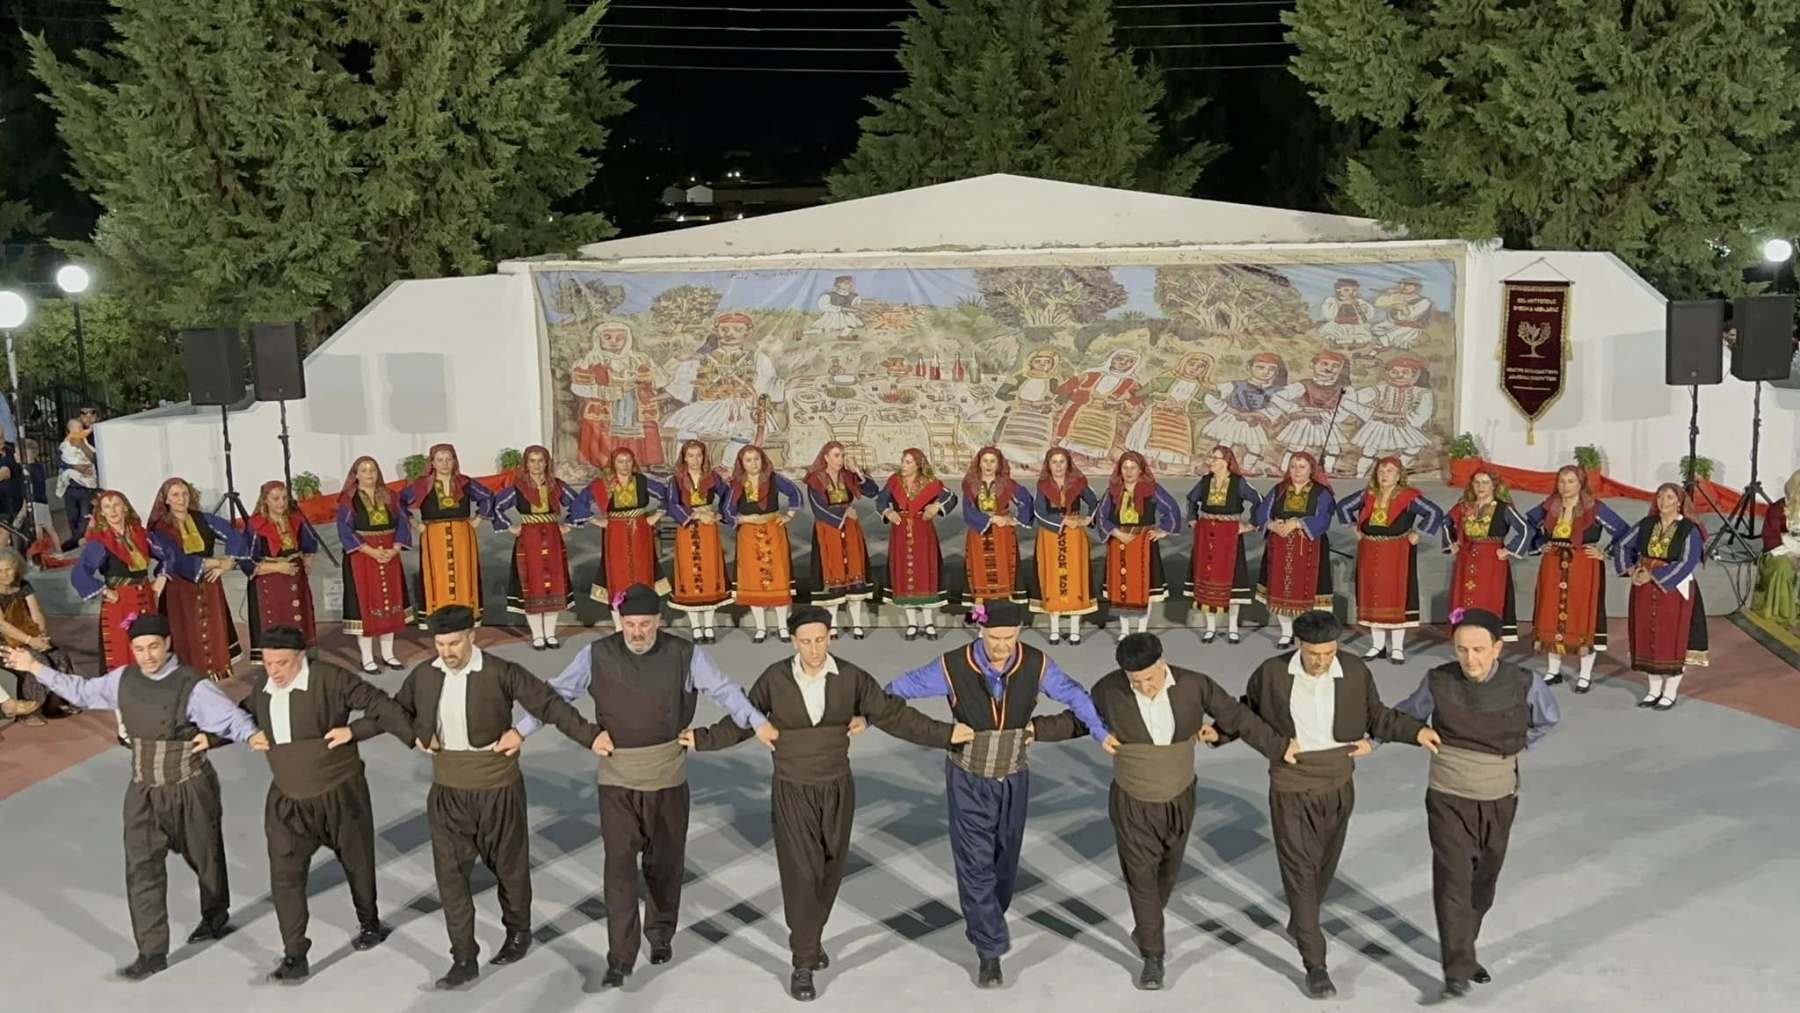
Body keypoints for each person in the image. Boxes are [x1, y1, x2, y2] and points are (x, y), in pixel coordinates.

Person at [684, 605, 972, 1001]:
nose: (814, 649)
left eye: (820, 640)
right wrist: (702, 739)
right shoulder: (775, 679)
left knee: (830, 870)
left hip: (837, 788)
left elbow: (893, 714)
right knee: (801, 874)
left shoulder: (850, 677)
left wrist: (945, 733)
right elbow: (744, 718)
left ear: (830, 637)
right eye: (806, 641)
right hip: (793, 789)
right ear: (793, 641)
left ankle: (811, 936)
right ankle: (803, 961)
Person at [515, 583, 774, 987]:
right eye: (630, 624)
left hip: (668, 778)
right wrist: (521, 731)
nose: (637, 632)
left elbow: (724, 690)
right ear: (619, 621)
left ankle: (660, 934)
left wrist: (757, 722)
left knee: (664, 865)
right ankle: (620, 957)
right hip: (617, 781)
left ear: (659, 621)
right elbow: (556, 694)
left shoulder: (684, 654)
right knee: (618, 868)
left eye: (645, 624)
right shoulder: (597, 654)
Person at [4, 614, 257, 980]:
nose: (147, 655)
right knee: (141, 869)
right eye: (139, 648)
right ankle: (151, 952)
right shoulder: (122, 679)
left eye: (154, 646)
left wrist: (253, 737)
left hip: (189, 785)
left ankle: (215, 913)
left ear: (168, 643)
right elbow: (81, 692)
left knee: (205, 856)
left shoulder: (193, 685)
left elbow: (232, 719)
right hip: (142, 789)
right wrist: (34, 667)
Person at [1209, 609, 1440, 999]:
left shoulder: (1353, 671)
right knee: (1300, 872)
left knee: (1322, 867)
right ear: (1298, 644)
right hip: (1292, 782)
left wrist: (1416, 732)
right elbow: (1249, 710)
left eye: (1329, 653)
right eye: (1314, 654)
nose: (1322, 661)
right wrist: (1219, 732)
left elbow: (1377, 716)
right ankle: (1315, 964)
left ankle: (1302, 921)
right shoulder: (1272, 673)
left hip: (1338, 781)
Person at [884, 600, 1112, 988]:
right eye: (995, 638)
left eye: (1010, 638)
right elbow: (894, 692)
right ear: (980, 632)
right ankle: (989, 950)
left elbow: (1075, 695)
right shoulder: (952, 666)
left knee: (1005, 863)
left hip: (1014, 777)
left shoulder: (1036, 664)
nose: (1003, 646)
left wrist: (1101, 733)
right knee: (975, 865)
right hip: (968, 777)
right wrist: (939, 732)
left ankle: (986, 919)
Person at [390, 605, 607, 990]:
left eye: (454, 643)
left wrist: (587, 736)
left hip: (498, 791)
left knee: (510, 867)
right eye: (440, 644)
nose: (447, 652)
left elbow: (549, 703)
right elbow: (394, 711)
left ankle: (518, 932)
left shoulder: (501, 672)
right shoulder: (424, 675)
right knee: (450, 877)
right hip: (448, 792)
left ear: (471, 636)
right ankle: (463, 957)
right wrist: (414, 734)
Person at [1089, 633, 1288, 990]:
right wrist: (1032, 728)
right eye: (1136, 682)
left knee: (1167, 871)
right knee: (1141, 878)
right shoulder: (1109, 690)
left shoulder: (1194, 685)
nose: (1144, 687)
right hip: (1133, 801)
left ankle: (1147, 927)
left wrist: (1276, 747)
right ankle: (1153, 955)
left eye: (1150, 678)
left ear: (1162, 664)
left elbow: (1237, 716)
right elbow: (1079, 719)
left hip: (1180, 797)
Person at [1388, 608, 1559, 1000]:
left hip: (1499, 796)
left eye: (1479, 649)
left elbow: (1547, 719)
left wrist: (1514, 745)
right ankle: (1457, 968)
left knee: (1484, 882)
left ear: (1498, 648)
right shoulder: (1439, 680)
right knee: (1453, 880)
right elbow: (1404, 715)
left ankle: (1463, 946)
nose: (1470, 659)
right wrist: (1373, 738)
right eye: (1462, 649)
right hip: (1448, 794)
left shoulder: (1525, 683)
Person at [242, 626, 412, 982]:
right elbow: (240, 717)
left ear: (301, 657)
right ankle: (294, 955)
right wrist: (214, 735)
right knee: (285, 878)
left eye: (281, 663)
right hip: (288, 801)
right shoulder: (264, 689)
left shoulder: (331, 679)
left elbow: (383, 706)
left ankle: (369, 922)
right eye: (268, 664)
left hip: (339, 793)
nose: (273, 671)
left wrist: (356, 731)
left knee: (357, 861)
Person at [1523, 465, 1632, 690]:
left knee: (1583, 615)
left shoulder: (1595, 508)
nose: (1565, 486)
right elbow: (1528, 526)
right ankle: (1553, 671)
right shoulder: (1549, 506)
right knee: (1550, 613)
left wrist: (1605, 553)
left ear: (1581, 483)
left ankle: (1584, 674)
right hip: (1553, 564)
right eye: (1562, 481)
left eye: (1571, 481)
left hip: (1584, 565)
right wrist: (1540, 544)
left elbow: (1624, 531)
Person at [1334, 457, 1446, 663]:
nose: (1384, 475)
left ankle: (1397, 648)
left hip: (1397, 552)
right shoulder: (1368, 494)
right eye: (1381, 471)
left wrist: (1418, 533)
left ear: (1398, 475)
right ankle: (1377, 646)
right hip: (1369, 551)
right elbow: (1342, 507)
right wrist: (1354, 529)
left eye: (1390, 471)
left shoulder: (1408, 496)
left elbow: (1434, 512)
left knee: (1396, 597)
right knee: (1372, 597)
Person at [1616, 484, 1708, 709]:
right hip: (1644, 587)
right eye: (1659, 496)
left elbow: (1687, 561)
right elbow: (1623, 545)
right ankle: (1653, 690)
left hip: (1674, 589)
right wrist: (1632, 571)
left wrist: (1653, 575)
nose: (1663, 501)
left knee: (1673, 639)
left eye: (1669, 497)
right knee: (1647, 636)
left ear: (1679, 502)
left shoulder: (1689, 529)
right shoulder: (1647, 524)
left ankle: (1670, 692)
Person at [146, 478, 242, 680]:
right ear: (166, 500)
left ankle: (213, 672)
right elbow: (176, 559)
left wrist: (228, 561)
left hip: (209, 584)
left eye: (185, 494)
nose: (181, 499)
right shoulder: (159, 528)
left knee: (212, 628)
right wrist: (217, 562)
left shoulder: (203, 519)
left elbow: (235, 535)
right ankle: (185, 677)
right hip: (178, 587)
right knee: (184, 631)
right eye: (175, 495)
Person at [491, 445, 578, 650]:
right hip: (529, 539)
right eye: (532, 461)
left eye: (541, 460)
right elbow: (495, 506)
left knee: (553, 583)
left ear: (547, 462)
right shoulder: (519, 487)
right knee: (532, 584)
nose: (537, 465)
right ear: (526, 464)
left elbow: (578, 503)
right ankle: (538, 635)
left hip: (552, 538)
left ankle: (550, 634)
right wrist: (509, 526)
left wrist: (569, 523)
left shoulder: (556, 485)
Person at [401, 444, 496, 630]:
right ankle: (439, 621)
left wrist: (478, 519)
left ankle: (466, 620)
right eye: (440, 459)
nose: (444, 463)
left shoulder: (464, 483)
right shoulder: (422, 485)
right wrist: (415, 523)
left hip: (462, 534)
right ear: (432, 463)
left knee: (464, 575)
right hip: (433, 536)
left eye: (448, 459)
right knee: (437, 576)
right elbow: (399, 502)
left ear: (454, 461)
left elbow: (488, 496)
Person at [72, 490, 164, 672]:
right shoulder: (100, 542)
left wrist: (161, 578)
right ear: (102, 512)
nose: (113, 511)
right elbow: (79, 573)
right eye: (107, 507)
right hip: (120, 603)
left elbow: (167, 554)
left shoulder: (140, 534)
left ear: (125, 508)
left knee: (150, 644)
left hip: (146, 599)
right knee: (122, 649)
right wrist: (105, 591)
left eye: (116, 505)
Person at [336, 456, 412, 673]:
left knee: (389, 603)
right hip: (362, 558)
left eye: (373, 470)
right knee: (365, 607)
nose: (369, 474)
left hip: (389, 555)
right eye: (364, 470)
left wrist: (394, 549)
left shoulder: (389, 496)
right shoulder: (347, 500)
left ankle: (388, 654)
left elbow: (402, 523)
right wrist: (370, 551)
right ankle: (367, 657)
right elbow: (345, 530)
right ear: (356, 475)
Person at [1253, 452, 1337, 647]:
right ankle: (1286, 632)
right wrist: (1271, 525)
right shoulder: (1279, 489)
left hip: (1310, 548)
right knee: (1281, 589)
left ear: (1311, 470)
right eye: (1293, 466)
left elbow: (1324, 517)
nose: (1297, 471)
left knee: (1309, 590)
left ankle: (1307, 633)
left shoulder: (1321, 492)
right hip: (1280, 546)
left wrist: (1298, 523)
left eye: (1302, 467)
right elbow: (1262, 512)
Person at [580, 446, 669, 629]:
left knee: (643, 573)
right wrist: (596, 521)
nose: (625, 465)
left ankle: (645, 624)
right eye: (620, 461)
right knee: (617, 575)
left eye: (628, 461)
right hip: (615, 534)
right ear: (613, 464)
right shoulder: (603, 484)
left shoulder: (641, 481)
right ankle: (619, 627)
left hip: (640, 533)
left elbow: (668, 495)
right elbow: (579, 504)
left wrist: (656, 516)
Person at [722, 444, 804, 642]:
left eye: (756, 459)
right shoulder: (736, 483)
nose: (754, 463)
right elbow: (727, 510)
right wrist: (744, 519)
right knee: (753, 580)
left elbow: (795, 492)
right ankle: (760, 628)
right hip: (748, 535)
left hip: (773, 531)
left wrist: (789, 515)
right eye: (748, 460)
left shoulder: (773, 478)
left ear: (763, 460)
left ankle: (782, 627)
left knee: (779, 578)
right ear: (742, 463)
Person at [1095, 451, 1181, 636]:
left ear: (1141, 469)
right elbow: (1101, 516)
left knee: (1144, 589)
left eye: (1133, 467)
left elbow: (1171, 508)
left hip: (1143, 545)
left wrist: (1162, 530)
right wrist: (1117, 533)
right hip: (1118, 544)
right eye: (1125, 467)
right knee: (1120, 588)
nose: (1128, 472)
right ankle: (1125, 631)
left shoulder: (1152, 490)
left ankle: (1142, 631)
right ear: (1119, 470)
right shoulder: (1113, 491)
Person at [1441, 468, 1530, 642]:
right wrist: (1451, 543)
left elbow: (1525, 529)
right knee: (1462, 597)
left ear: (1493, 486)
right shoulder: (1464, 507)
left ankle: (1489, 637)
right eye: (1477, 482)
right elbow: (1446, 522)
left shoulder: (1503, 508)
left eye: (1485, 483)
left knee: (1488, 597)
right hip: (1466, 559)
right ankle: (1462, 634)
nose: (1480, 487)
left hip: (1491, 561)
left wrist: (1509, 549)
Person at [802, 441, 880, 639]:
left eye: (842, 455)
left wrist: (858, 472)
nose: (840, 459)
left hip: (851, 530)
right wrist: (845, 513)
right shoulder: (815, 479)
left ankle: (857, 624)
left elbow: (873, 491)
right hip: (828, 531)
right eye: (836, 455)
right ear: (826, 457)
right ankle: (833, 625)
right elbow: (818, 507)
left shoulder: (848, 476)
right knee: (833, 575)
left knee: (855, 573)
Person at [878, 447, 957, 639]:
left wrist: (936, 506)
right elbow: (881, 501)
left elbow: (951, 497)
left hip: (923, 533)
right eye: (903, 461)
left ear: (918, 465)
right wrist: (888, 512)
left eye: (908, 462)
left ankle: (928, 623)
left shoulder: (930, 483)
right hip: (900, 533)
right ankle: (912, 623)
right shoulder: (894, 481)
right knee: (904, 575)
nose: (903, 465)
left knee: (925, 574)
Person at [1185, 445, 1260, 643]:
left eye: (1215, 458)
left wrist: (1251, 525)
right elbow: (1191, 499)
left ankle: (1232, 627)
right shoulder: (1205, 481)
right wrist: (1192, 519)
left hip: (1229, 535)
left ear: (1226, 461)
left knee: (1232, 581)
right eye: (1210, 457)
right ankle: (1210, 628)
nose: (1210, 461)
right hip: (1206, 535)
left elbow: (1259, 500)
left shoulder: (1238, 482)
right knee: (1207, 578)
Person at [570, 319, 666, 470]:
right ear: (599, 338)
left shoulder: (640, 358)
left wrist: (645, 380)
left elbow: (662, 380)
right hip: (605, 408)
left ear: (628, 339)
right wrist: (607, 392)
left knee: (637, 435)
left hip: (635, 407)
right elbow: (578, 387)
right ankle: (606, 467)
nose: (614, 342)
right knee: (605, 441)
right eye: (608, 337)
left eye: (620, 338)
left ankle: (638, 467)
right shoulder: (592, 359)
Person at [240, 481, 319, 662]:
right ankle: (276, 663)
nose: (281, 503)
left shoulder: (295, 520)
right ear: (265, 500)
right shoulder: (256, 525)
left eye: (284, 498)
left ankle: (300, 661)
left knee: (299, 619)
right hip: (270, 584)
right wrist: (278, 567)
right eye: (275, 499)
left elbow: (310, 544)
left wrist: (306, 564)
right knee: (277, 623)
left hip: (296, 580)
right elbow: (246, 560)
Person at [1030, 447, 1099, 644]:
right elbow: (1040, 512)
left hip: (1074, 536)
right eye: (1054, 462)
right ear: (1048, 465)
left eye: (1062, 461)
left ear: (1068, 464)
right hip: (1050, 537)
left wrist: (1086, 519)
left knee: (1075, 579)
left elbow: (1095, 503)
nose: (1058, 466)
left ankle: (1075, 630)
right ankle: (1054, 629)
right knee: (1052, 579)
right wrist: (1062, 521)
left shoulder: (1078, 483)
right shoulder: (1043, 486)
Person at [666, 439, 733, 642]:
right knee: (689, 573)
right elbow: (672, 504)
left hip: (708, 528)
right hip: (687, 529)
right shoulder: (676, 480)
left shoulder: (712, 477)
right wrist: (695, 515)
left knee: (710, 572)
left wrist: (720, 514)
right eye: (691, 455)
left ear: (704, 457)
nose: (695, 460)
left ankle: (709, 626)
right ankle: (696, 627)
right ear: (684, 457)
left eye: (699, 455)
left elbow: (728, 495)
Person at [960, 446, 1034, 616]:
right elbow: (968, 510)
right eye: (985, 461)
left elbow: (1026, 500)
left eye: (992, 461)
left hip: (1002, 534)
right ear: (979, 463)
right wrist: (992, 519)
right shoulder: (970, 485)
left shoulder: (1007, 484)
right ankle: (981, 618)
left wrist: (1015, 520)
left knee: (1003, 571)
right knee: (979, 574)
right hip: (978, 534)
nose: (988, 465)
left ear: (998, 464)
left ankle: (1004, 616)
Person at [1340, 355, 1436, 478]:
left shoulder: (1422, 393)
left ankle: (1397, 469)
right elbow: (1349, 401)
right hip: (1378, 424)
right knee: (1369, 450)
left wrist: (1405, 419)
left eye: (1405, 372)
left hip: (1402, 425)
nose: (1399, 376)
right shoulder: (1379, 390)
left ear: (1414, 375)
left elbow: (1423, 414)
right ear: (1388, 373)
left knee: (1415, 447)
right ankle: (1360, 475)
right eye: (1394, 372)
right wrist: (1372, 413)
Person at [1201, 352, 1288, 477]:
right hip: (1233, 419)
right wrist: (1233, 411)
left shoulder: (1274, 391)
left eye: (1271, 369)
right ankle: (1215, 467)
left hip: (1252, 422)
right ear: (1249, 367)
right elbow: (1211, 394)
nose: (1266, 372)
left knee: (1255, 448)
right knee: (1226, 443)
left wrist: (1255, 415)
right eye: (1260, 367)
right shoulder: (1236, 385)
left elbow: (1274, 410)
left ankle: (1246, 468)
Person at [0, 547, 60, 724]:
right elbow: (2, 625)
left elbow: (36, 613)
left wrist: (42, 636)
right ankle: (30, 711)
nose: (4, 574)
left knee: (57, 656)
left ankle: (53, 704)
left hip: (27, 636)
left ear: (17, 568)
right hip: (4, 642)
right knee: (32, 659)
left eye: (8, 569)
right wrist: (30, 641)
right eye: (0, 571)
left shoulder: (23, 586)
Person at [1271, 350, 1350, 476]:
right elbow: (1278, 397)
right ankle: (1284, 470)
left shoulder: (1343, 389)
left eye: (1335, 366)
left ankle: (1328, 471)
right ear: (1312, 365)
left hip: (1325, 421)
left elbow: (1344, 410)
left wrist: (1323, 415)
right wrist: (1297, 410)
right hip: (1304, 420)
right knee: (1296, 446)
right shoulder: (1304, 385)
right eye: (1324, 364)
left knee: (1333, 448)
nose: (1329, 369)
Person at [1754, 469, 1800, 627]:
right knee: (1783, 568)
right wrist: (1791, 555)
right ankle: (1784, 613)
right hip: (1778, 554)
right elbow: (1770, 539)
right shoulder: (1778, 508)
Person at [58, 417, 99, 549]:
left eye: (80, 428)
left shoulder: (87, 442)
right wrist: (74, 467)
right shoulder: (64, 446)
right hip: (70, 486)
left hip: (85, 487)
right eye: (75, 429)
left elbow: (94, 458)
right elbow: (59, 461)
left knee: (84, 516)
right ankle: (76, 540)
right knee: (72, 516)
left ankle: (73, 542)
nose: (78, 431)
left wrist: (82, 446)